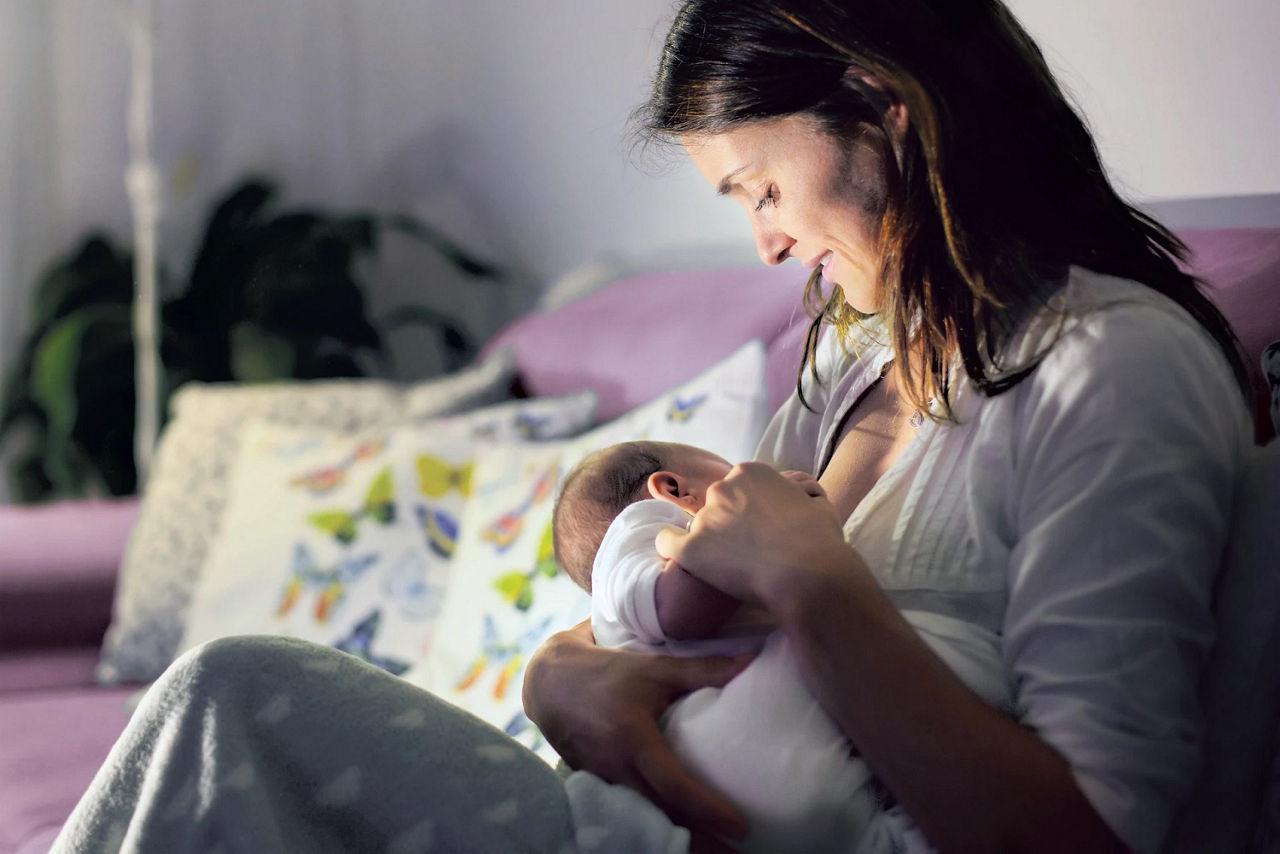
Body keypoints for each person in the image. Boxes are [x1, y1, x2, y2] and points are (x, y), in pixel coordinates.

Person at [53, 1, 1253, 852]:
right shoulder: (853, 352)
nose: (767, 243)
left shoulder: (1108, 370)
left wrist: (819, 591)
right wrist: (552, 675)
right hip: (647, 814)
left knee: (234, 702)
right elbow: (677, 603)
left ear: (886, 112)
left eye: (762, 188)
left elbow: (1089, 830)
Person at [553, 439, 1013, 852]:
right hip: (755, 777)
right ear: (673, 490)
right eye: (731, 472)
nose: (757, 484)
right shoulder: (635, 535)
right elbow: (676, 608)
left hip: (779, 795)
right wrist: (763, 533)